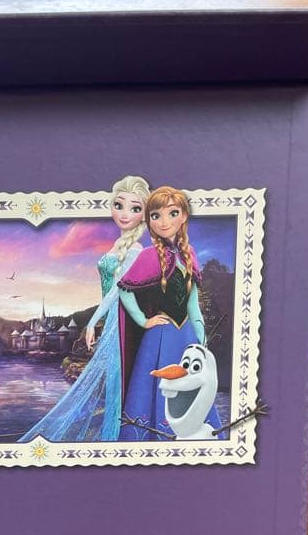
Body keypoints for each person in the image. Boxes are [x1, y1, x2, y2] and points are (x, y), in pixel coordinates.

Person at [19, 175, 150, 443]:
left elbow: (119, 290)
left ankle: (117, 436)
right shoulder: (117, 245)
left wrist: (92, 322)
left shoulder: (136, 249)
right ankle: (113, 432)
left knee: (117, 378)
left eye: (135, 208)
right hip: (113, 317)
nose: (125, 214)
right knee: (113, 379)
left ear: (144, 214)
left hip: (122, 319)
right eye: (119, 205)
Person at [117, 186, 222, 441]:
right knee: (157, 387)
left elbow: (193, 304)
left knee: (193, 382)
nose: (164, 222)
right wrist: (144, 320)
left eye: (172, 213)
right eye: (156, 216)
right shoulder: (148, 255)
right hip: (159, 335)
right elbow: (124, 290)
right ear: (149, 220)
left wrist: (201, 338)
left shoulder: (189, 254)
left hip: (186, 336)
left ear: (183, 216)